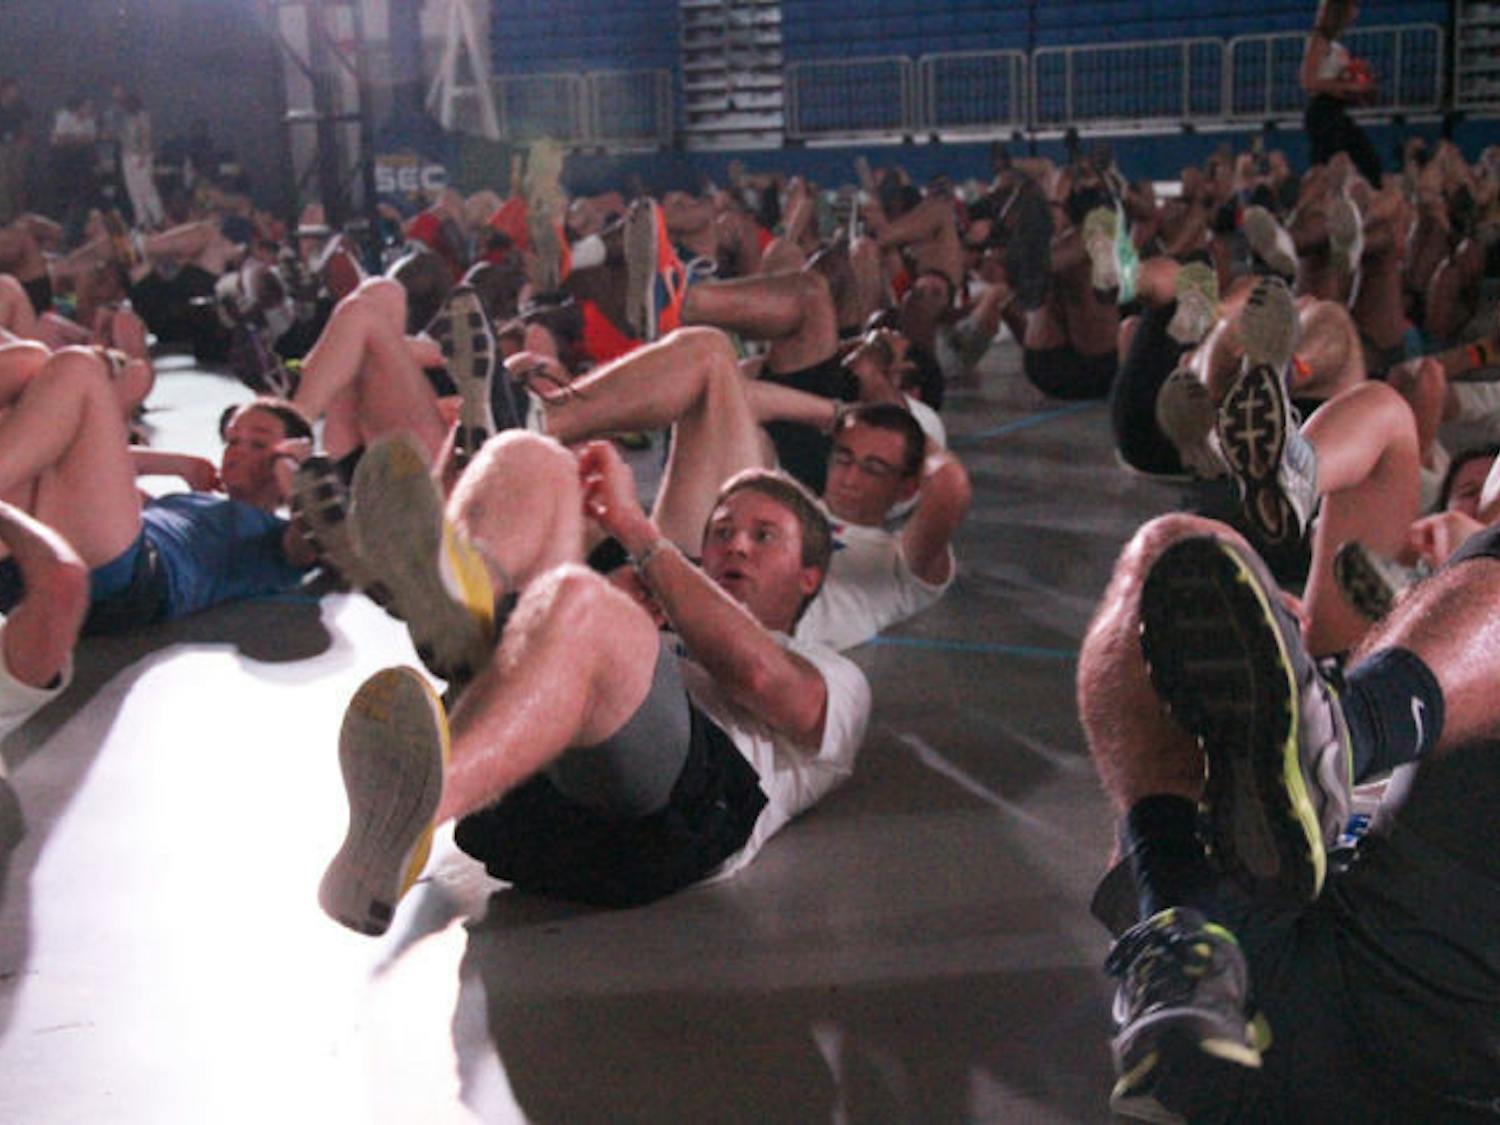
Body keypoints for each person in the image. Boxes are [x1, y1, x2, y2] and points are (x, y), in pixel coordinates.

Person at [318, 429, 870, 930]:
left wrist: (634, 533)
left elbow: (760, 677)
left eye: (764, 535)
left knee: (579, 600)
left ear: (809, 576)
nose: (736, 545)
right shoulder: (645, 613)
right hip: (528, 805)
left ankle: (418, 809)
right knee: (536, 457)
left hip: (670, 828)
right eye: (722, 532)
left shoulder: (833, 671)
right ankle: (467, 600)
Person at [1077, 513, 1500, 1122]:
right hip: (1249, 1008)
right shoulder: (1435, 644)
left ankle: (1345, 740)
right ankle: (1180, 947)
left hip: (1432, 1047)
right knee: (1174, 551)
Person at [0, 340, 315, 631]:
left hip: (130, 581)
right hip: (30, 568)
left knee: (78, 367)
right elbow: (90, 462)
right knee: (29, 360)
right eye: (233, 440)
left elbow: (310, 534)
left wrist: (292, 468)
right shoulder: (184, 503)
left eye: (258, 444)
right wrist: (179, 463)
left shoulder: (274, 537)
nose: (237, 450)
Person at [1300, 0, 1382, 187]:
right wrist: (1350, 87)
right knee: (1327, 167)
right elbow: (1308, 81)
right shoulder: (1319, 39)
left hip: (1336, 109)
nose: (1356, 12)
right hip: (1323, 111)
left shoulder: (1334, 44)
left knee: (1364, 159)